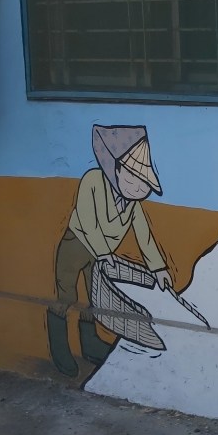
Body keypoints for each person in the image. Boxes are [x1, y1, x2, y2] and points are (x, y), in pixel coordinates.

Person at [47, 125, 173, 377]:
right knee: (67, 295)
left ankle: (90, 344)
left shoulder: (133, 205)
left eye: (144, 184)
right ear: (116, 169)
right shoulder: (93, 180)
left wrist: (159, 268)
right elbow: (87, 220)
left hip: (103, 256)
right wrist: (104, 252)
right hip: (77, 244)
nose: (137, 188)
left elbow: (144, 236)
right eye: (132, 178)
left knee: (93, 298)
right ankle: (59, 348)